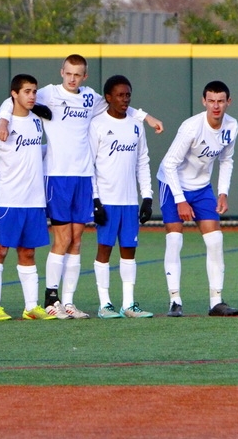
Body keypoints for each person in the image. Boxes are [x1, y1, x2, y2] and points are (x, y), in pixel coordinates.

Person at [0, 55, 163, 320]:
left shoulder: (90, 98)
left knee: (76, 240)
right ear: (61, 72)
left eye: (78, 75)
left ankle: (70, 302)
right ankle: (51, 298)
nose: (72, 79)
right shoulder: (49, 93)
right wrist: (4, 119)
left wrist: (147, 118)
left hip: (84, 177)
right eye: (69, 73)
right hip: (58, 176)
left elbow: (121, 104)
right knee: (61, 239)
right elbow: (13, 98)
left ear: (84, 76)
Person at [158, 80, 238, 317]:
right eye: (211, 101)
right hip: (172, 183)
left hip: (202, 188)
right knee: (175, 240)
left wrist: (223, 192)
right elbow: (169, 164)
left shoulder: (232, 126)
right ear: (204, 101)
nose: (216, 106)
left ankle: (216, 301)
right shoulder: (191, 127)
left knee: (215, 240)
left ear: (228, 102)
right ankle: (175, 300)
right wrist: (180, 199)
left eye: (221, 101)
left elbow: (226, 159)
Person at [0, 74, 55, 321]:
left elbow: (38, 151)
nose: (32, 96)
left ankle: (31, 307)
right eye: (26, 91)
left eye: (34, 91)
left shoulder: (37, 121)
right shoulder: (0, 123)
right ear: (14, 94)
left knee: (28, 252)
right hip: (7, 198)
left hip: (34, 199)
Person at [89, 75, 154, 319]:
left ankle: (128, 304)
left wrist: (146, 197)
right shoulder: (97, 124)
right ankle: (105, 304)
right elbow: (90, 165)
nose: (125, 99)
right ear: (108, 97)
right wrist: (95, 200)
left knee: (129, 250)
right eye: (119, 95)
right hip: (107, 200)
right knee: (104, 249)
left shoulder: (136, 125)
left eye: (128, 95)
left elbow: (143, 161)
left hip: (129, 202)